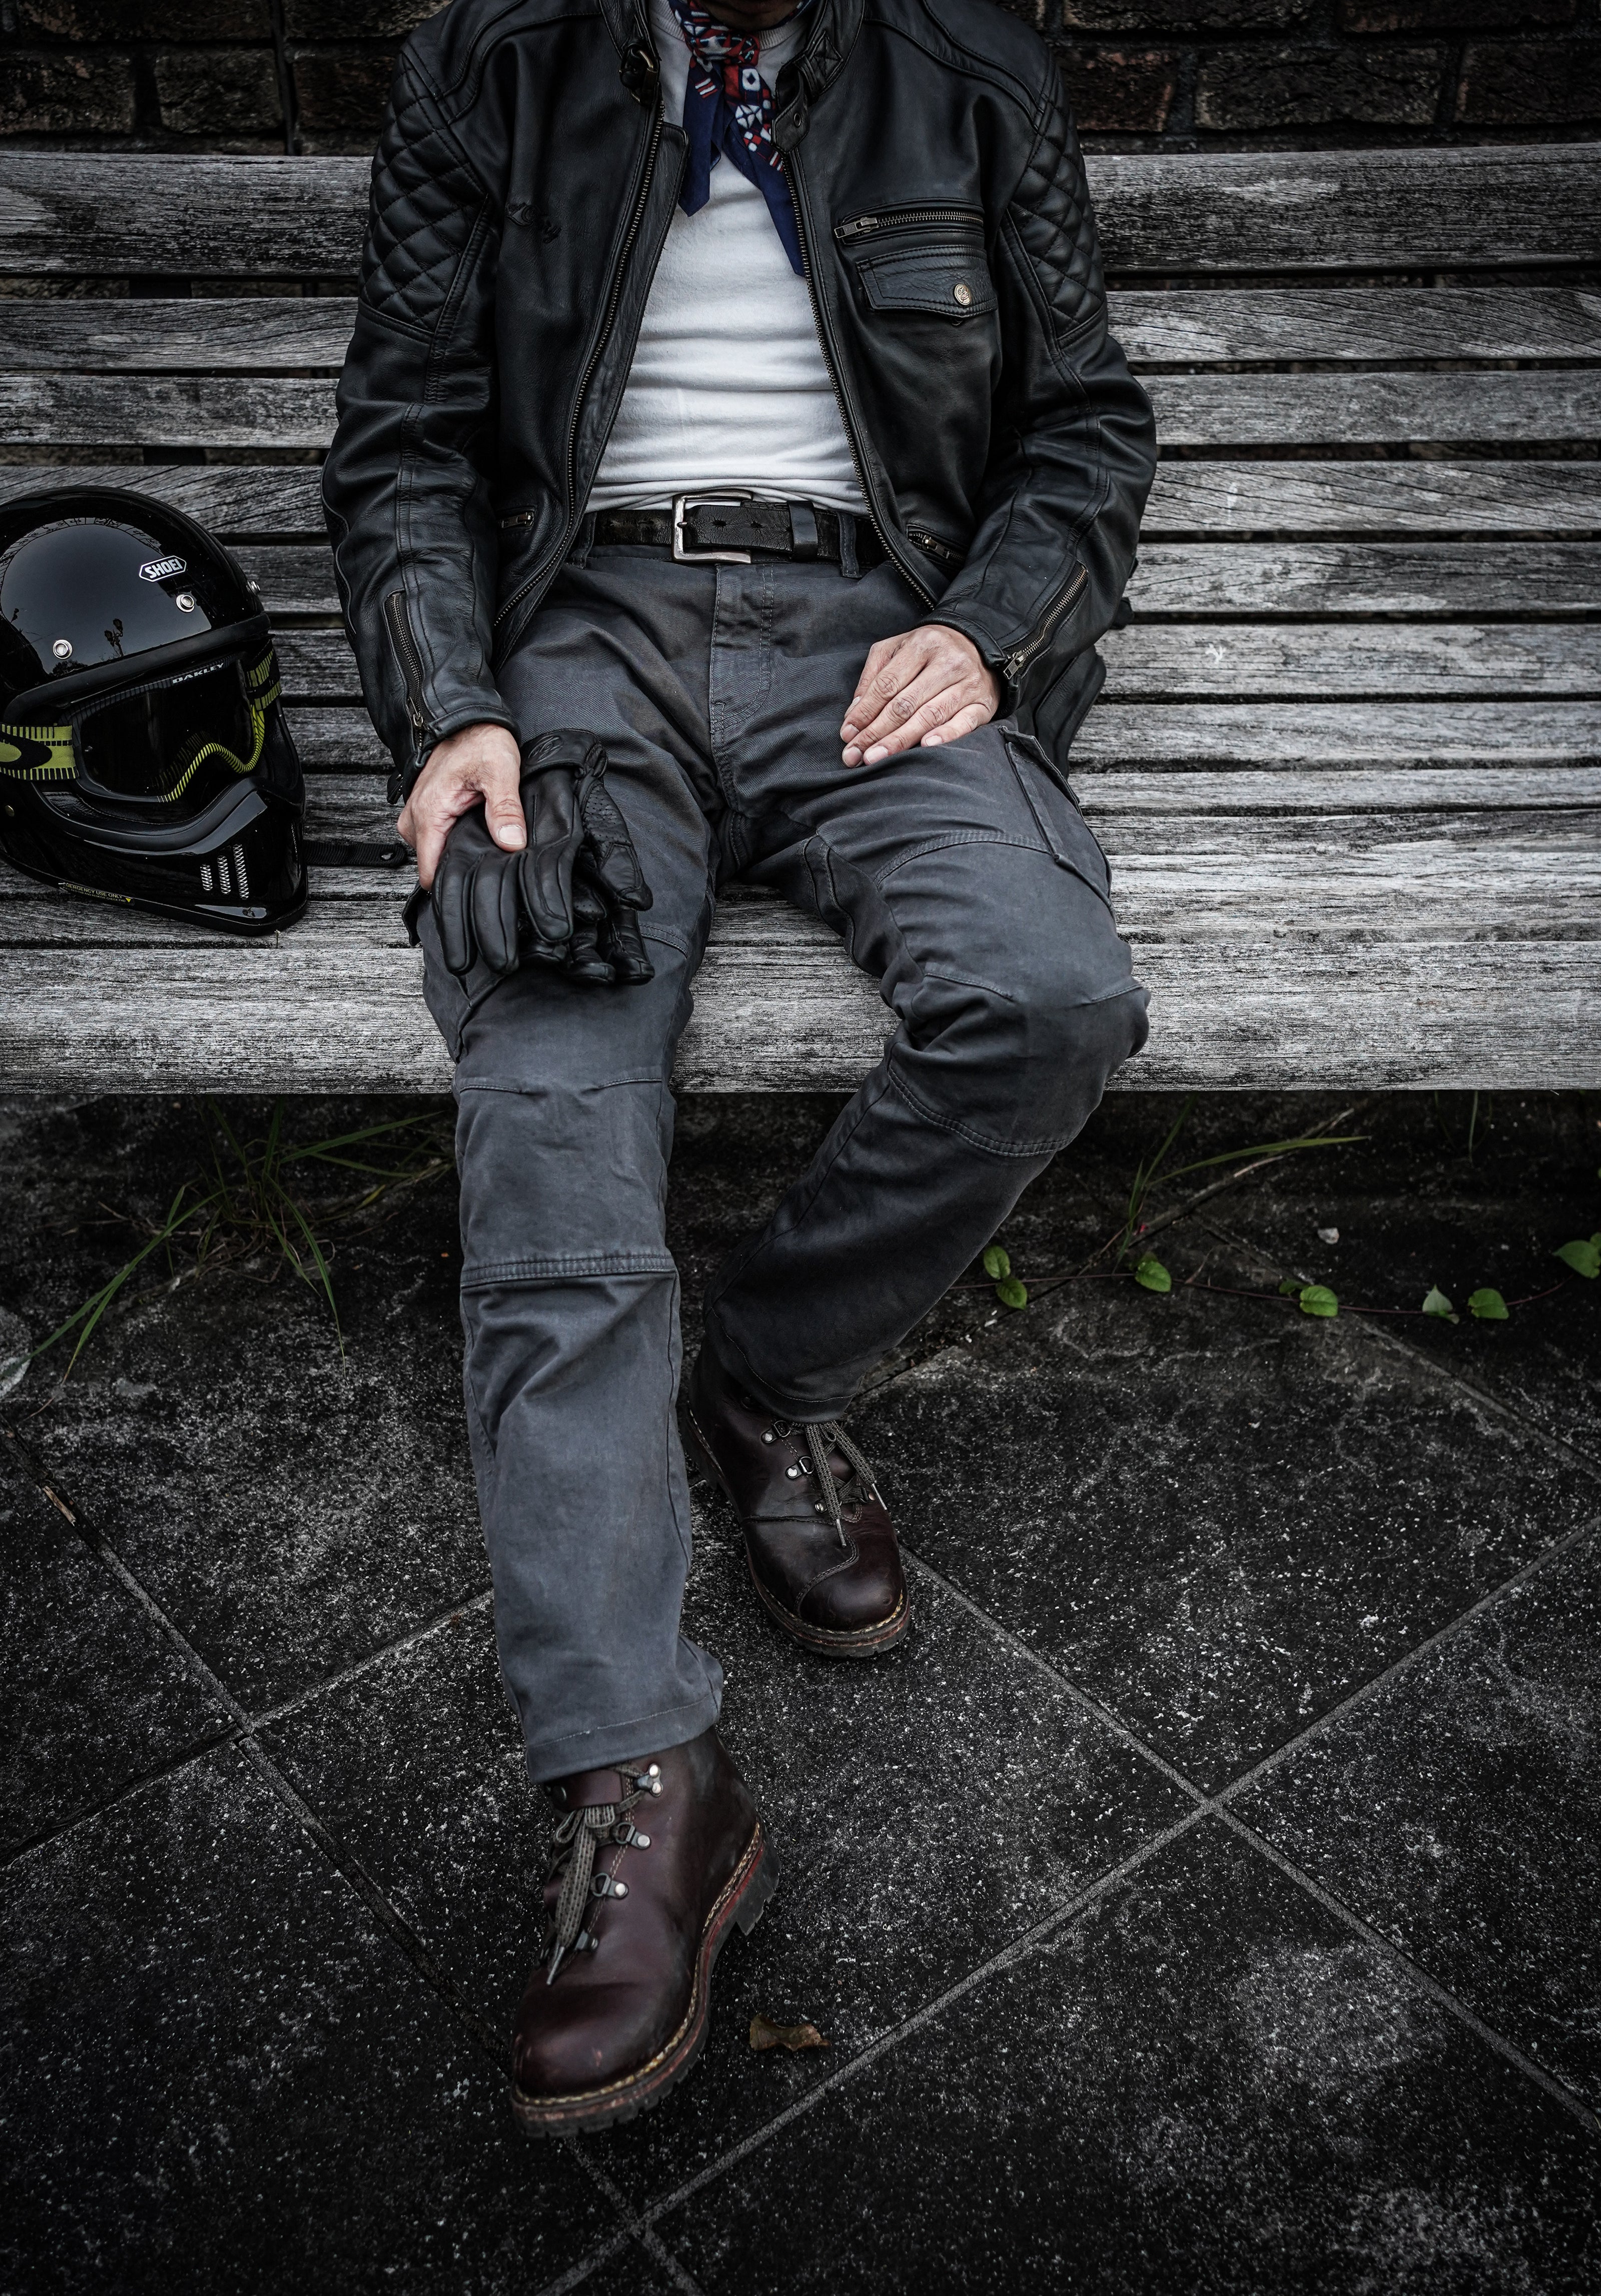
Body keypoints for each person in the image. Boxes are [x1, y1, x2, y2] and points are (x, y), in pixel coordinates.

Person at [323, 0, 1156, 2134]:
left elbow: (1081, 429)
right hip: (578, 641)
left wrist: (987, 626)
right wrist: (448, 705)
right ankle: (644, 1775)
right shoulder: (490, 64)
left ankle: (766, 1371)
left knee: (1046, 996)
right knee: (552, 1125)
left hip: (874, 629)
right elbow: (404, 437)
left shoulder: (968, 66)